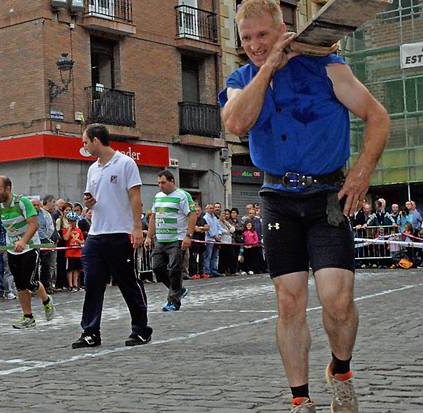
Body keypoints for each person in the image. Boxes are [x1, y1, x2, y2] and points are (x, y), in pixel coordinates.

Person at [220, 0, 389, 411]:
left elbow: (377, 115)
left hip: (327, 196)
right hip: (277, 199)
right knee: (289, 301)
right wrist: (268, 68)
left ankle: (341, 370)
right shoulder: (241, 79)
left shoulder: (328, 66)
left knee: (337, 298)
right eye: (247, 38)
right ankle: (301, 400)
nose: (256, 44)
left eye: (264, 35)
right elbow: (236, 124)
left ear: (283, 30)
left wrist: (362, 171)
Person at [72, 124, 151, 349]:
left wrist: (137, 228)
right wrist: (90, 203)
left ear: (96, 140)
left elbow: (135, 196)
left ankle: (141, 329)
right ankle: (90, 332)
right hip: (96, 234)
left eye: (85, 142)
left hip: (120, 233)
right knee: (93, 284)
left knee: (128, 283)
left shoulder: (126, 163)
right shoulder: (93, 169)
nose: (84, 146)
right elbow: (93, 198)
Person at [0, 176, 55, 329]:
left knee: (30, 283)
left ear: (8, 189)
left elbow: (34, 224)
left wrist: (23, 241)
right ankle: (28, 317)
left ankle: (46, 300)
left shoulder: (22, 202)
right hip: (12, 250)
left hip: (30, 247)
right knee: (20, 285)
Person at [144, 169, 195, 311]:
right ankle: (178, 290)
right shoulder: (157, 196)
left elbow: (192, 215)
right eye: (158, 183)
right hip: (160, 239)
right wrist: (149, 236)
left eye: (163, 182)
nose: (160, 185)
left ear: (172, 181)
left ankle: (172, 301)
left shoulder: (183, 196)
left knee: (174, 269)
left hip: (176, 239)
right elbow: (153, 217)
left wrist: (188, 236)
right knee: (157, 268)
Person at [32, 198, 56, 294]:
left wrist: (46, 239)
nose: (36, 207)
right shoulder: (27, 214)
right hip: (33, 243)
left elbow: (50, 228)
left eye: (38, 205)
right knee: (34, 266)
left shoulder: (45, 214)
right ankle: (34, 287)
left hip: (45, 242)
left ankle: (46, 286)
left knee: (47, 265)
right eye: (34, 205)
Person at [62, 211, 84, 292]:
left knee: (77, 269)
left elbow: (83, 241)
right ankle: (70, 285)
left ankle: (75, 284)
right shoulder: (65, 229)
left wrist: (78, 240)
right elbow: (66, 238)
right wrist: (70, 229)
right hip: (70, 253)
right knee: (70, 269)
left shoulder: (79, 230)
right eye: (71, 221)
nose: (73, 222)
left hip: (77, 253)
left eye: (74, 221)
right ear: (68, 221)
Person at [202, 203, 221, 278]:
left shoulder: (215, 218)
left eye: (212, 208)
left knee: (215, 256)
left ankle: (214, 270)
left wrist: (219, 235)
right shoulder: (205, 218)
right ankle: (207, 271)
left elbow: (218, 227)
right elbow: (208, 229)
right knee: (208, 256)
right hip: (209, 239)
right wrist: (214, 236)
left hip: (216, 240)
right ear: (206, 209)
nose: (212, 210)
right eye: (210, 208)